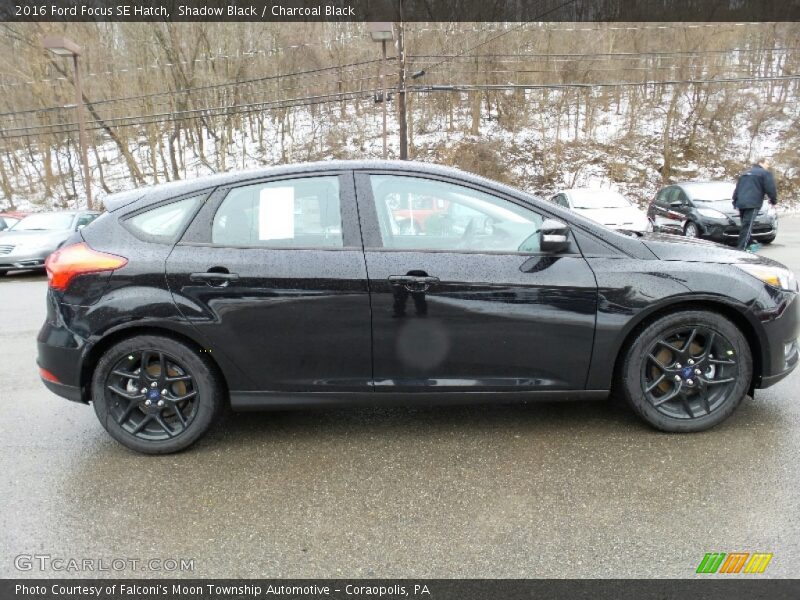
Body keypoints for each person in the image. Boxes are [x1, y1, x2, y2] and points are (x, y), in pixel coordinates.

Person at [732, 157, 777, 252]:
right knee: (747, 226)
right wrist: (773, 201)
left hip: (741, 203)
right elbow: (770, 188)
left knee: (745, 226)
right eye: (767, 163)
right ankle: (741, 249)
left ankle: (750, 244)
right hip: (752, 203)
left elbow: (737, 188)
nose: (768, 166)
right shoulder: (765, 173)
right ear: (761, 162)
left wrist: (735, 201)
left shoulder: (745, 173)